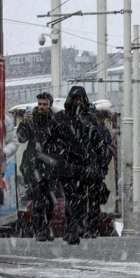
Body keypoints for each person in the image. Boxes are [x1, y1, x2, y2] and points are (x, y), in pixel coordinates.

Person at [52, 86, 93, 245]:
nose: (77, 102)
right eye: (75, 99)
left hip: (82, 165)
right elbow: (53, 141)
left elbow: (95, 144)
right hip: (68, 165)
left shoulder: (88, 119)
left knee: (81, 199)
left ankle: (78, 227)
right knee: (72, 198)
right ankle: (73, 228)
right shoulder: (62, 118)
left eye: (80, 99)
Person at [16, 92, 59, 241]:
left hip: (50, 166)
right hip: (33, 166)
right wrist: (23, 123)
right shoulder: (31, 121)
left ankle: (46, 226)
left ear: (50, 105)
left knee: (51, 200)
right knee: (39, 199)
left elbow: (61, 142)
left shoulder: (55, 122)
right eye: (40, 104)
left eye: (44, 104)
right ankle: (40, 229)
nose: (41, 107)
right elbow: (21, 138)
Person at [82, 106, 113, 238]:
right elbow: (108, 152)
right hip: (94, 172)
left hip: (85, 172)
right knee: (93, 202)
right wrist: (102, 167)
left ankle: (86, 227)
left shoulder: (82, 130)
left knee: (84, 201)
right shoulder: (102, 131)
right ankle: (91, 227)